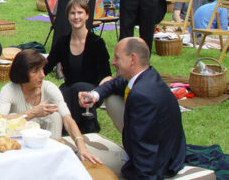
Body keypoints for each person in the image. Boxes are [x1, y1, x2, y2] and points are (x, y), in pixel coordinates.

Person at [78, 38, 185, 179]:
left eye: (117, 58)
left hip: (160, 161)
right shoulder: (147, 75)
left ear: (132, 59)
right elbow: (115, 84)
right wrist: (95, 95)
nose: (113, 62)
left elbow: (145, 149)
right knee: (111, 96)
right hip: (168, 149)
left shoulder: (141, 96)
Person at [0, 50, 102, 164]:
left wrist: (82, 148)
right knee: (12, 117)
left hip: (46, 145)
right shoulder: (9, 90)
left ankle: (54, 156)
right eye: (36, 71)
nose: (42, 75)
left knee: (55, 116)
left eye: (42, 69)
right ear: (22, 73)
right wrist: (32, 113)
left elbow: (67, 119)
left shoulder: (49, 88)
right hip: (18, 147)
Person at [44, 0, 112, 133]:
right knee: (61, 93)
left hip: (92, 91)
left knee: (78, 89)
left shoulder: (97, 43)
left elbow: (107, 76)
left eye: (80, 13)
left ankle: (87, 131)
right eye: (72, 13)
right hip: (69, 88)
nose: (76, 17)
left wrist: (97, 93)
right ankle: (66, 133)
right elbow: (46, 66)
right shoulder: (62, 42)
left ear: (87, 16)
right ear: (68, 16)